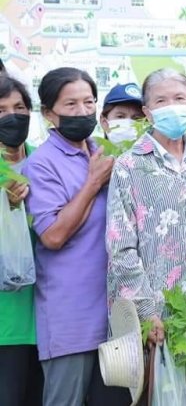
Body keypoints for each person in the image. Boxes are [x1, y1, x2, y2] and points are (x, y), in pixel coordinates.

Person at [106, 68, 186, 405]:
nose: (171, 106)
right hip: (156, 316)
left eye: (179, 98)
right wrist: (147, 311)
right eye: (161, 100)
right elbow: (121, 246)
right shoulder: (129, 165)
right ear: (147, 112)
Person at [23, 68, 130, 406]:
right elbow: (53, 236)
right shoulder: (41, 164)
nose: (82, 112)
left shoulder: (104, 153)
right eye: (70, 104)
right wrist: (93, 183)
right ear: (48, 114)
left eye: (88, 102)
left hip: (115, 315)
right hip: (70, 315)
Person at [0, 74, 43, 406]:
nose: (12, 116)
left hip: (47, 316)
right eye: (0, 109)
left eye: (19, 107)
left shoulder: (45, 162)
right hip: (6, 320)